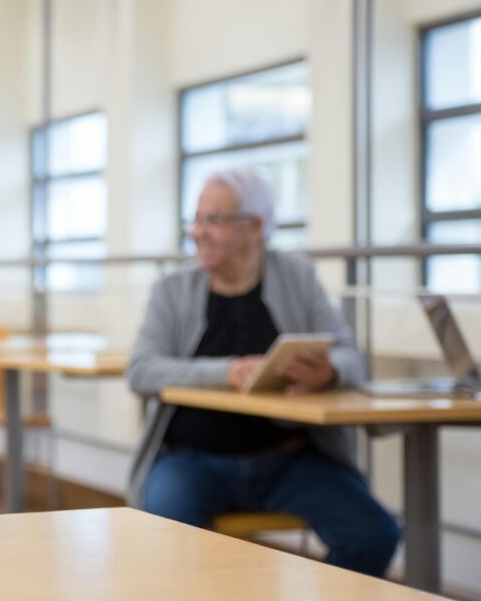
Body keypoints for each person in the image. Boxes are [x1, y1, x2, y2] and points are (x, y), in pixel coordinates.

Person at [126, 169, 399, 577]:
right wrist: (230, 371)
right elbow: (141, 370)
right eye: (196, 220)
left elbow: (352, 358)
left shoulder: (299, 276)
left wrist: (329, 372)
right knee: (167, 539)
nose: (198, 232)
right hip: (192, 461)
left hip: (292, 461)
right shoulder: (172, 288)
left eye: (212, 220)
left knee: (375, 535)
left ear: (255, 227)